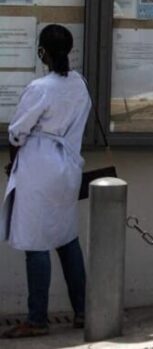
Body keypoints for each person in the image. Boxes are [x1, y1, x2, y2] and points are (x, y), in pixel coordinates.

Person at [1, 25, 89, 339]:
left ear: (43, 53)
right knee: (67, 238)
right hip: (67, 166)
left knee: (35, 242)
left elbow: (17, 132)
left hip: (38, 167)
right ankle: (83, 310)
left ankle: (37, 318)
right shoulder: (79, 83)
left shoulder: (40, 87)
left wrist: (13, 163)